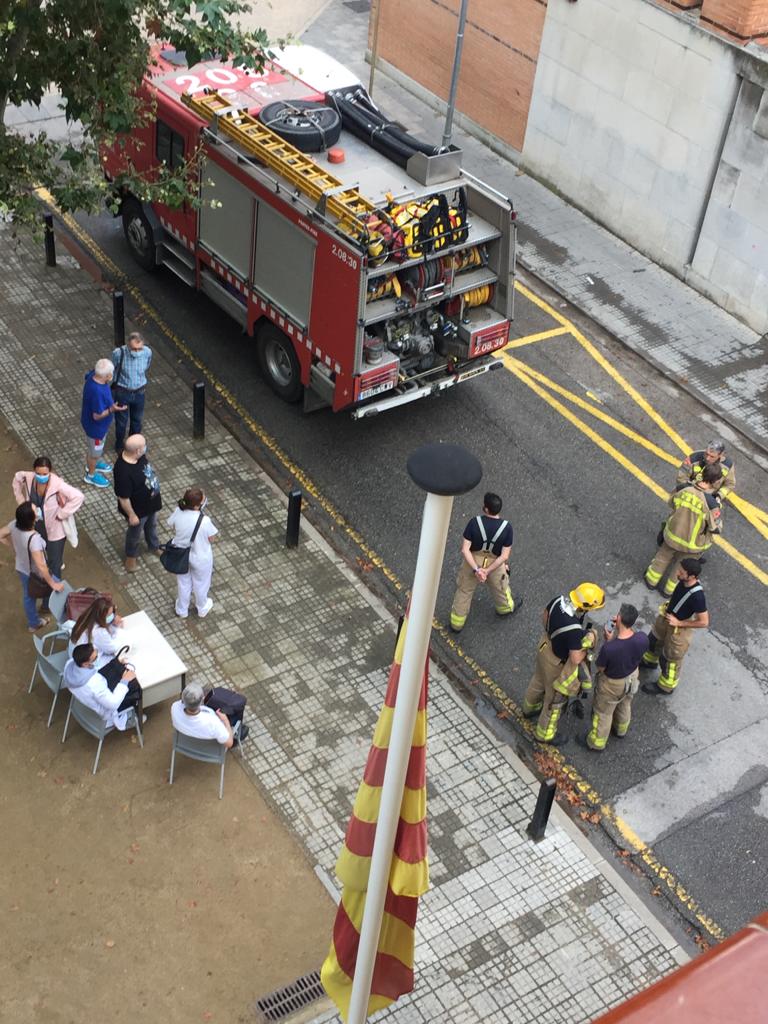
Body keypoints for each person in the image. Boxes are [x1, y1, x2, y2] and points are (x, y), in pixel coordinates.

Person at [522, 583, 604, 744]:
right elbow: (575, 658)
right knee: (553, 702)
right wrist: (590, 640)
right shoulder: (574, 630)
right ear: (585, 606)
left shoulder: (557, 601)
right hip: (556, 663)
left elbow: (544, 616)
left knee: (538, 681)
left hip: (545, 647)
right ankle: (544, 735)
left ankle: (528, 709)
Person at [12, 457, 84, 603]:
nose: (42, 476)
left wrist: (62, 514)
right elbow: (16, 479)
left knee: (54, 565)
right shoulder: (29, 478)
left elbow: (78, 496)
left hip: (55, 530)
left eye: (45, 474)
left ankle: (50, 600)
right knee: (43, 556)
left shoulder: (58, 485)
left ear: (50, 472)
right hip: (38, 525)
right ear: (34, 471)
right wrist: (22, 502)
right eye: (39, 473)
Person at [644, 463, 722, 596]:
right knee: (681, 567)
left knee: (662, 557)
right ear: (715, 481)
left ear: (702, 474)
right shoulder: (711, 503)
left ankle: (651, 581)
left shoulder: (683, 488)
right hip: (692, 544)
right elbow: (716, 528)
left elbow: (671, 503)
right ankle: (669, 591)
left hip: (673, 534)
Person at [449, 492, 520, 633]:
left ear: (486, 509)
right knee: (500, 588)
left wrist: (477, 569)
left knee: (464, 590)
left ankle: (456, 623)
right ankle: (505, 608)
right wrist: (487, 571)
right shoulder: (507, 528)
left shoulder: (474, 523)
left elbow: (465, 550)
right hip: (495, 563)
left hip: (473, 560)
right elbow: (504, 556)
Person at [585, 604, 649, 751]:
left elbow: (601, 667)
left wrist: (609, 640)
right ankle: (620, 730)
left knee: (604, 713)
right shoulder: (642, 638)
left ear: (619, 618)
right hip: (632, 677)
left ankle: (596, 743)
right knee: (625, 703)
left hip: (612, 685)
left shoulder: (610, 648)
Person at [642, 558, 709, 696]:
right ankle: (649, 662)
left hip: (678, 629)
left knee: (670, 659)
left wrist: (679, 623)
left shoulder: (698, 596)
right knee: (653, 640)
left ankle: (666, 687)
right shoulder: (684, 581)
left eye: (681, 572)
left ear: (691, 576)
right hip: (667, 618)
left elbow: (704, 622)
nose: (677, 573)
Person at [0, 502, 65, 631]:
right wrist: (53, 584)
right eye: (36, 510)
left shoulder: (14, 524)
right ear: (32, 519)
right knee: (62, 591)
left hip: (21, 568)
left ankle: (33, 623)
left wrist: (14, 547)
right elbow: (41, 565)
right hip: (35, 573)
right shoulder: (33, 539)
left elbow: (1, 535)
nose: (38, 510)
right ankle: (64, 620)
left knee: (28, 596)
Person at [63, 643, 144, 731]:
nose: (97, 657)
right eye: (95, 658)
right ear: (86, 664)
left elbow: (98, 674)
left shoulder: (69, 665)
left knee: (115, 668)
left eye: (96, 652)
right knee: (135, 686)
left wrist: (116, 663)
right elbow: (113, 703)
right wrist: (125, 680)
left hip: (89, 700)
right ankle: (133, 717)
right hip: (109, 711)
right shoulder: (93, 683)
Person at [113, 433, 162, 572]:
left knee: (152, 525)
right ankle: (131, 556)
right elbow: (123, 498)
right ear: (137, 451)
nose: (146, 448)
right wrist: (131, 515)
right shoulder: (123, 471)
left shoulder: (139, 457)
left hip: (151, 503)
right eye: (144, 446)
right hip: (137, 510)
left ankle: (154, 546)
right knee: (135, 534)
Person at [166, 487, 218, 618]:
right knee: (201, 583)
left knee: (183, 583)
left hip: (181, 555)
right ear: (196, 506)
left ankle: (182, 609)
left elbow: (171, 524)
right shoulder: (204, 520)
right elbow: (211, 538)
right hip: (200, 557)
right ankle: (202, 607)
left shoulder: (178, 511)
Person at [80, 357, 125, 488]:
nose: (112, 375)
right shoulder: (97, 392)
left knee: (94, 450)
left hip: (95, 426)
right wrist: (112, 409)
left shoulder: (93, 376)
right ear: (106, 376)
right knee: (94, 452)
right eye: (111, 373)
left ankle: (94, 462)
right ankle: (91, 474)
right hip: (96, 429)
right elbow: (97, 415)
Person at [111, 332, 153, 453]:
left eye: (139, 349)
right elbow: (113, 369)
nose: (137, 352)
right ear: (128, 345)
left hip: (139, 392)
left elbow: (147, 365)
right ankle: (119, 445)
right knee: (121, 423)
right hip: (123, 392)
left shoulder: (147, 352)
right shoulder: (119, 353)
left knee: (137, 421)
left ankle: (133, 444)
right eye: (134, 349)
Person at [171, 683, 234, 748]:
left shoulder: (175, 707)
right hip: (206, 749)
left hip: (185, 742)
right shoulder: (213, 722)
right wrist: (225, 720)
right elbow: (229, 744)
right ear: (202, 700)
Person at [70, 596, 125, 666]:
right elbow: (113, 648)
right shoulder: (99, 632)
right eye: (109, 615)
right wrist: (118, 628)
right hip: (88, 662)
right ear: (101, 616)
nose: (112, 616)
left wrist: (111, 622)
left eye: (112, 613)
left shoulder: (87, 616)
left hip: (77, 653)